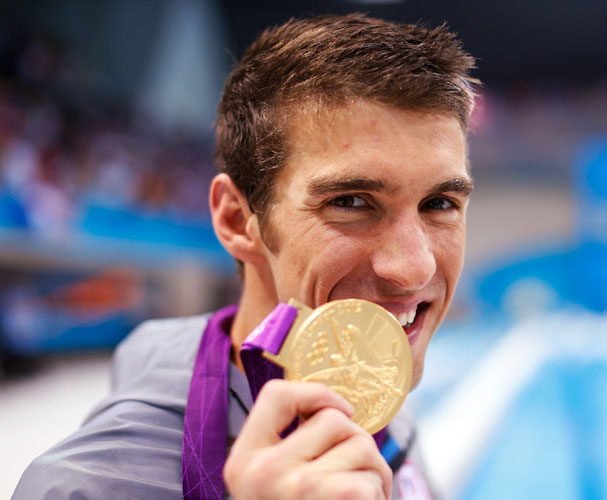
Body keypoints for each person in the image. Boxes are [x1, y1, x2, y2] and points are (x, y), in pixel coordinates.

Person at [13, 13, 477, 500]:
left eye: (440, 204)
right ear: (237, 220)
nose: (415, 267)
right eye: (351, 202)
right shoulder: (85, 489)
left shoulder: (385, 413)